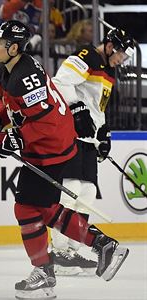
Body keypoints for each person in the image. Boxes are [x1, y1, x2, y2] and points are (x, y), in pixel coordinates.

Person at [0, 20, 129, 300]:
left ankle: (50, 270)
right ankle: (96, 247)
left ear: (14, 47)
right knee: (41, 209)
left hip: (52, 146)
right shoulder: (7, 70)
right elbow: (12, 107)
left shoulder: (25, 75)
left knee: (28, 209)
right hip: (48, 144)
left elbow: (47, 123)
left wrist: (13, 140)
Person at [50, 28, 135, 276]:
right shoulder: (87, 56)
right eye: (119, 53)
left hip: (88, 139)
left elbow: (97, 108)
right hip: (71, 135)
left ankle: (73, 250)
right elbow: (60, 82)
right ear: (109, 46)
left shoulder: (108, 72)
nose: (121, 59)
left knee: (86, 193)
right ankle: (57, 251)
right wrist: (76, 109)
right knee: (71, 190)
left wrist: (104, 131)